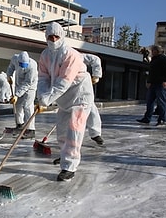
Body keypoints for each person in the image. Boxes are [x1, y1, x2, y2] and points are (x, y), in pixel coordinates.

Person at [37, 22, 94, 182]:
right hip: (63, 98)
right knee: (61, 131)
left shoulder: (71, 55)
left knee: (74, 131)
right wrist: (41, 96)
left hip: (80, 96)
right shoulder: (45, 55)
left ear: (62, 36)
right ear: (46, 37)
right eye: (50, 37)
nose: (53, 40)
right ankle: (65, 156)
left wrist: (46, 100)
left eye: (56, 36)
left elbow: (64, 81)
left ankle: (69, 166)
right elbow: (43, 78)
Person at [137, 45, 166, 126]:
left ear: (157, 51)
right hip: (153, 83)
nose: (152, 52)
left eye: (153, 50)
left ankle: (162, 119)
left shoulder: (164, 59)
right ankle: (147, 118)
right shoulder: (153, 60)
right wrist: (149, 81)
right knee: (149, 101)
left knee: (161, 102)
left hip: (161, 84)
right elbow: (151, 72)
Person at [6, 51, 38, 138]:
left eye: (25, 65)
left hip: (30, 86)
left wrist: (16, 95)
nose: (23, 67)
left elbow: (27, 83)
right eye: (22, 65)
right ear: (18, 61)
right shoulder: (15, 58)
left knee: (28, 106)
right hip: (19, 84)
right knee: (18, 105)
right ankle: (20, 124)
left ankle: (31, 129)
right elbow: (11, 66)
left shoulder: (32, 65)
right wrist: (8, 75)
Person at [82, 53, 104, 145]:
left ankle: (95, 133)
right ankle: (67, 138)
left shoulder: (76, 55)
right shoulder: (52, 60)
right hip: (67, 85)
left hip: (83, 84)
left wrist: (96, 75)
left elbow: (95, 59)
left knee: (90, 107)